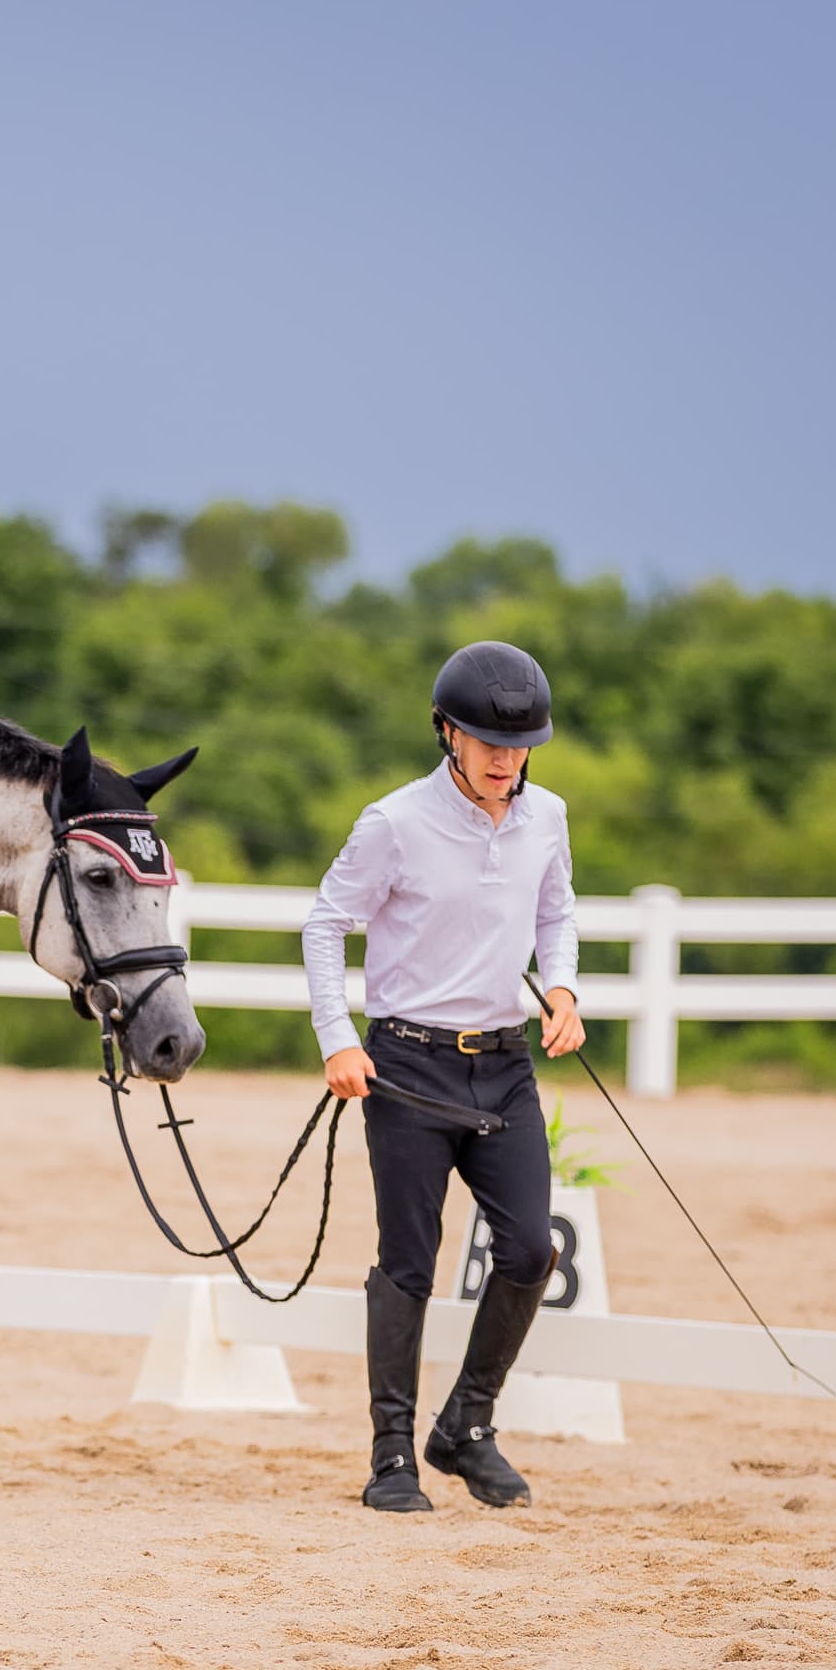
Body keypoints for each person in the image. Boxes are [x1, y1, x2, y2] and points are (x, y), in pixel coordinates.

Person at [302, 640, 587, 1513]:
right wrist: (337, 1037)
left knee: (532, 1248)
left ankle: (465, 1424)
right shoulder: (393, 823)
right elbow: (325, 924)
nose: (506, 760)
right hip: (407, 1068)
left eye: (520, 744)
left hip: (504, 1067)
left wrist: (564, 987)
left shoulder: (547, 817)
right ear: (447, 734)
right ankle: (393, 1455)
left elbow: (556, 912)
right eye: (486, 742)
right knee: (410, 1262)